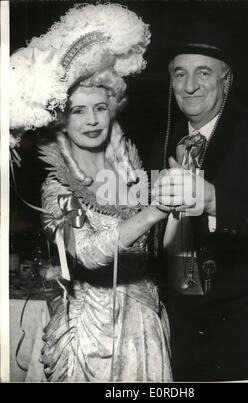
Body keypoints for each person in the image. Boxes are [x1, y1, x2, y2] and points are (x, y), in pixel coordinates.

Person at [9, 3, 172, 382]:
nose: (93, 119)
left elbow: (154, 249)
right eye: (78, 111)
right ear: (61, 120)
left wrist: (173, 207)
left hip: (144, 325)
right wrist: (154, 211)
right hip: (93, 340)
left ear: (113, 107)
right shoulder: (58, 186)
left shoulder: (130, 168)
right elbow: (86, 252)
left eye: (100, 107)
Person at [150, 23, 248, 381]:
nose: (189, 86)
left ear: (225, 80)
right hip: (179, 314)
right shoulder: (162, 141)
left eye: (203, 73)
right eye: (179, 74)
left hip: (242, 310)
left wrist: (216, 200)